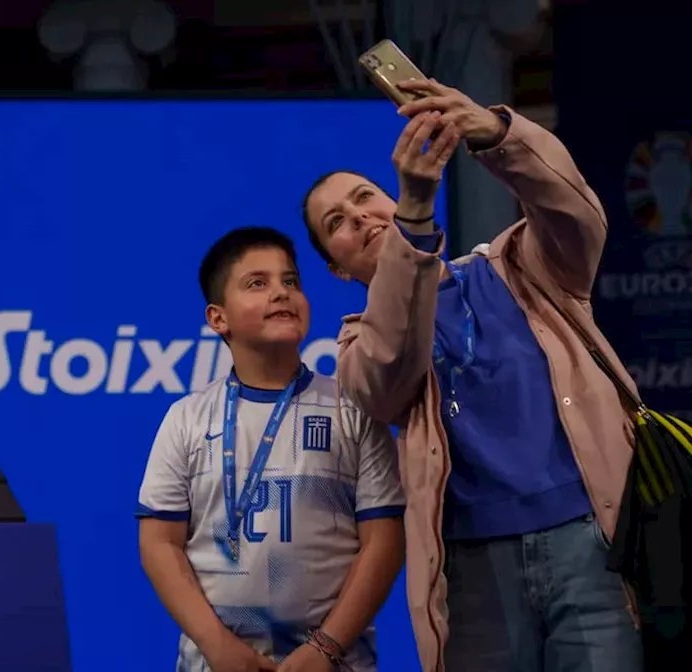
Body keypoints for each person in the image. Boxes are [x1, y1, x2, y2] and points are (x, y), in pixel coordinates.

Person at [300, 78, 643, 672]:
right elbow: (387, 381)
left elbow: (578, 214)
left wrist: (498, 134)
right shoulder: (357, 345)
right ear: (335, 267)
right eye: (337, 222)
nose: (359, 216)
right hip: (475, 571)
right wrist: (410, 217)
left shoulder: (517, 266)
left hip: (591, 545)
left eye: (364, 197)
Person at [136, 226, 407, 672]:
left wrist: (325, 648)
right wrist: (216, 646)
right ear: (217, 318)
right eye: (257, 284)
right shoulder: (186, 418)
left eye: (291, 281)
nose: (281, 293)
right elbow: (159, 544)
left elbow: (383, 542)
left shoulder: (353, 408)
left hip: (335, 663)